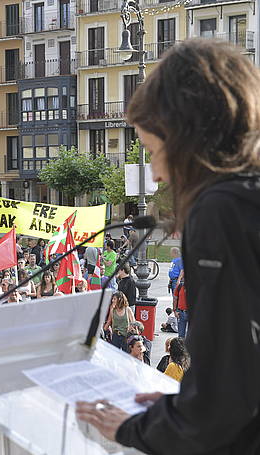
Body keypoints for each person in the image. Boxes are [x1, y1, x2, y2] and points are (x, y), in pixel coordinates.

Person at [76, 40, 260, 453]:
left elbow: (226, 400)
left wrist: (133, 428)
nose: (156, 173)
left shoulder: (220, 211)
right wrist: (184, 403)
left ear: (187, 137)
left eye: (155, 150)